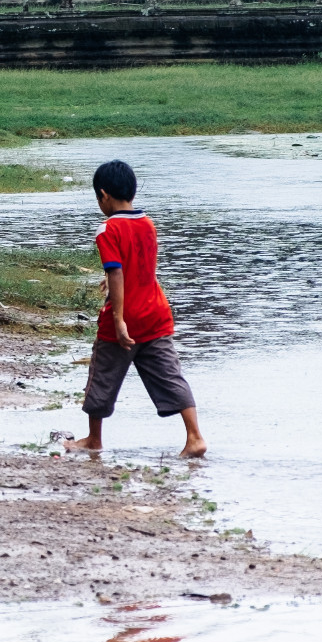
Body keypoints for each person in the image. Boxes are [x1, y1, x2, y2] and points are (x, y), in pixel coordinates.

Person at [65, 159, 206, 458]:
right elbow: (139, 266)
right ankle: (195, 437)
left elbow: (117, 271)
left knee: (102, 374)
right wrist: (110, 278)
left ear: (104, 195)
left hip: (126, 318)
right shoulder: (148, 223)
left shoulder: (108, 229)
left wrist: (118, 319)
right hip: (156, 314)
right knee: (171, 376)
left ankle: (94, 439)